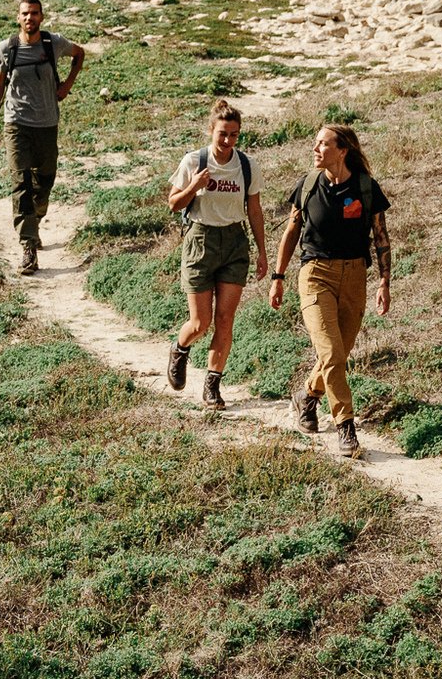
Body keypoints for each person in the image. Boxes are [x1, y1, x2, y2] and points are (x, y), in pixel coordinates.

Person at [268, 123, 391, 458]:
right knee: (333, 353)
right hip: (315, 275)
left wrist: (384, 281)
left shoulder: (365, 187)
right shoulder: (308, 185)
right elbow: (291, 232)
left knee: (338, 353)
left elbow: (381, 237)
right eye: (316, 142)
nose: (316, 148)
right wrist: (278, 277)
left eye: (323, 143)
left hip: (354, 276)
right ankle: (345, 426)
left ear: (343, 150)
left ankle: (307, 397)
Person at [164, 99, 270, 410]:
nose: (227, 140)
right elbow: (174, 204)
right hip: (201, 240)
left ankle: (213, 384)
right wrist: (194, 186)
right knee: (200, 322)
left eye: (234, 134)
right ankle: (180, 349)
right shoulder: (194, 161)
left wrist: (262, 251)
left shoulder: (247, 166)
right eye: (223, 133)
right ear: (211, 130)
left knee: (225, 319)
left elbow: (254, 210)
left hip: (235, 243)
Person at [0, 0, 84, 275]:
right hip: (16, 124)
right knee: (21, 183)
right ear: (18, 18)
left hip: (47, 124)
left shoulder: (54, 44)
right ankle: (28, 246)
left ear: (42, 16)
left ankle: (35, 219)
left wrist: (67, 84)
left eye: (35, 13)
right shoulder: (8, 48)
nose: (30, 18)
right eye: (25, 14)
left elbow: (79, 54)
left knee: (45, 180)